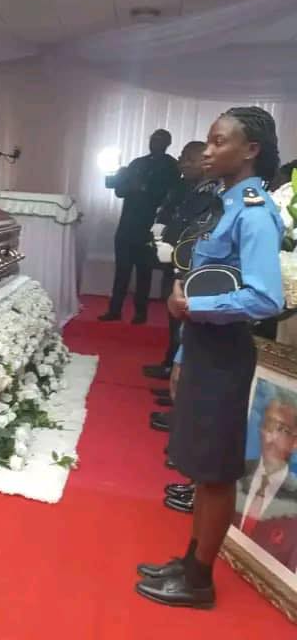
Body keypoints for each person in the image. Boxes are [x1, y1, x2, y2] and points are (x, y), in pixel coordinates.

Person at [136, 107, 284, 609]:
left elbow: (265, 297)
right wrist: (182, 345)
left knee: (216, 471)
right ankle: (189, 560)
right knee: (200, 466)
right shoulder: (225, 202)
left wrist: (195, 308)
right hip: (203, 345)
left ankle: (200, 580)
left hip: (224, 351)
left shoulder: (254, 211)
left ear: (251, 150)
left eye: (220, 142)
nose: (208, 151)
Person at [143, 141, 211, 382]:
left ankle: (177, 373)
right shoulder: (184, 186)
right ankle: (171, 366)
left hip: (190, 265)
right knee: (174, 321)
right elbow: (170, 213)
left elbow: (196, 230)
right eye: (182, 158)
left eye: (189, 159)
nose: (183, 164)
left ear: (204, 162)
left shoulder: (212, 192)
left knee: (184, 325)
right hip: (173, 260)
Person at [100, 129, 179, 324]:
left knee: (144, 271)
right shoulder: (137, 163)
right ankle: (115, 310)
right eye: (153, 139)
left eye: (159, 140)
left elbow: (171, 194)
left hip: (150, 226)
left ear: (168, 143)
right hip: (127, 223)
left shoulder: (171, 166)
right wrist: (120, 177)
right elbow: (119, 190)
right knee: (122, 270)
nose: (155, 143)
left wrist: (143, 188)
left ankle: (140, 313)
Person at [234, 392, 297, 571]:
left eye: (282, 430)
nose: (270, 438)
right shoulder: (235, 470)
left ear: (295, 442)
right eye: (268, 426)